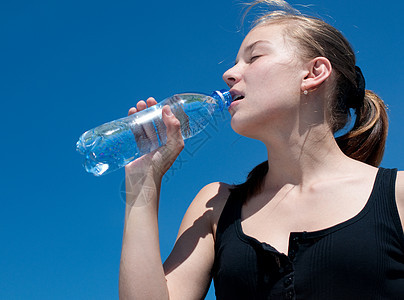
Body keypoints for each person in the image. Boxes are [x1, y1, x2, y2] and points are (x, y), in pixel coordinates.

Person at [119, 0, 404, 299]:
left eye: (253, 57)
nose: (229, 73)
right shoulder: (216, 208)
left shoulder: (397, 195)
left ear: (313, 73)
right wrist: (142, 182)